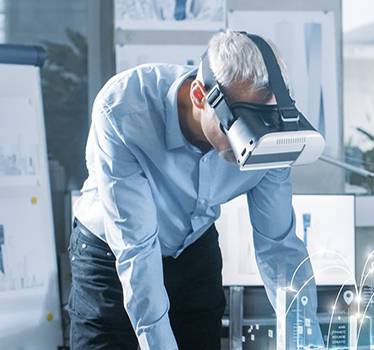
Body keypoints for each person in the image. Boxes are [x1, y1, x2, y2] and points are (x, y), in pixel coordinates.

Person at [69, 31, 320, 349]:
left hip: (193, 247)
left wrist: (306, 340)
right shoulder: (124, 109)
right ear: (201, 96)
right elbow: (137, 249)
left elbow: (279, 247)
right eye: (244, 123)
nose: (253, 141)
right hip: (112, 254)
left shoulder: (272, 134)